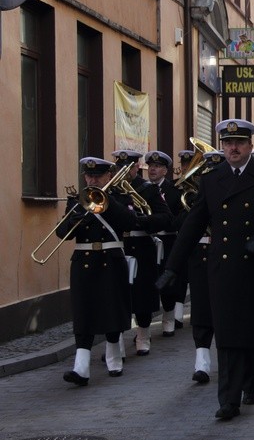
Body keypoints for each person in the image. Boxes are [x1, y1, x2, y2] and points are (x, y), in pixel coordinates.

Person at [156, 119, 254, 420]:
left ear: (250, 146)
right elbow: (192, 226)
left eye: (239, 142)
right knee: (229, 335)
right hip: (224, 269)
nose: (233, 147)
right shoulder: (212, 179)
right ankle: (228, 400)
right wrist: (172, 268)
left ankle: (251, 385)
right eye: (228, 143)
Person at [58, 157, 137, 385]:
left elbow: (131, 222)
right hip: (83, 261)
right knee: (83, 312)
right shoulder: (76, 201)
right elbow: (62, 234)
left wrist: (107, 203)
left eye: (98, 176)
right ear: (84, 177)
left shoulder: (120, 198)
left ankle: (114, 358)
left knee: (112, 308)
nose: (92, 179)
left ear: (108, 177)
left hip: (111, 260)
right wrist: (75, 217)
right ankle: (81, 368)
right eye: (89, 176)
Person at [111, 149, 173, 356]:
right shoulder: (109, 190)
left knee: (143, 295)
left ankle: (143, 335)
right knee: (116, 297)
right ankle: (115, 342)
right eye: (119, 167)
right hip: (117, 247)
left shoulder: (147, 189)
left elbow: (165, 217)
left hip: (141, 245)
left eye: (127, 167)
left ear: (137, 167)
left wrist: (142, 220)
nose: (122, 171)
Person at [188, 150, 224, 384]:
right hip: (200, 255)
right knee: (201, 308)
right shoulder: (194, 195)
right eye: (205, 170)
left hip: (225, 254)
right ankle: (201, 362)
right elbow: (181, 225)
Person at [145, 150, 186, 337]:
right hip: (147, 240)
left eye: (157, 167)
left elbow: (181, 215)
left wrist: (167, 223)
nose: (152, 169)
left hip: (169, 238)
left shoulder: (175, 191)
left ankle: (169, 315)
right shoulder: (141, 189)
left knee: (168, 280)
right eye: (150, 166)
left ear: (165, 171)